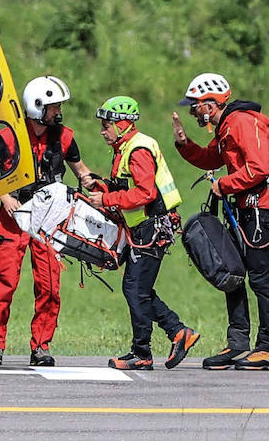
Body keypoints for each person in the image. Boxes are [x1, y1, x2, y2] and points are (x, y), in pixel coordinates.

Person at [0, 76, 96, 368]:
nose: (58, 112)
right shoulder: (9, 137)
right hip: (15, 217)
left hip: (51, 221)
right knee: (3, 283)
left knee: (50, 286)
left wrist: (94, 188)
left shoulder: (65, 137)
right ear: (37, 107)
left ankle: (41, 347)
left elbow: (81, 170)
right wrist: (5, 198)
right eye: (54, 107)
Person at [173, 72, 269, 371]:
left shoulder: (241, 122)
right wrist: (185, 144)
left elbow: (260, 167)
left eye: (195, 105)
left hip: (261, 208)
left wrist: (225, 185)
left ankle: (267, 348)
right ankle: (238, 343)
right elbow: (211, 158)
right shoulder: (225, 127)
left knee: (260, 278)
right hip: (244, 208)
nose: (192, 111)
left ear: (210, 104)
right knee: (233, 274)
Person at [83, 95, 199, 370]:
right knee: (139, 288)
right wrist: (103, 186)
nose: (102, 130)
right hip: (145, 227)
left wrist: (108, 200)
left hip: (152, 227)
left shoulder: (137, 150)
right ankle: (178, 332)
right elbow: (127, 185)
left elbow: (145, 193)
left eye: (106, 125)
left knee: (134, 288)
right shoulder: (126, 148)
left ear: (122, 124)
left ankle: (142, 353)